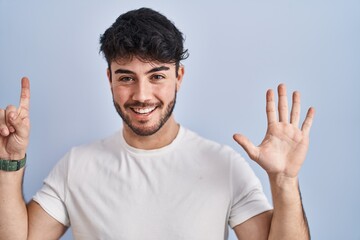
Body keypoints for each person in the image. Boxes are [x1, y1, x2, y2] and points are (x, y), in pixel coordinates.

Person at [0, 7, 315, 240]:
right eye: (126, 77)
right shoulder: (76, 166)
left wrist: (285, 180)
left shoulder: (224, 166)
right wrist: (9, 163)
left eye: (157, 77)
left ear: (179, 77)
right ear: (109, 79)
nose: (142, 95)